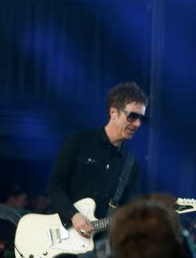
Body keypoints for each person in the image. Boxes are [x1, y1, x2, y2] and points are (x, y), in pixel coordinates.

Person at [46, 82, 148, 241]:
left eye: (141, 118)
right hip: (59, 235)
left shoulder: (131, 164)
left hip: (97, 244)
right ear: (114, 112)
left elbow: (129, 210)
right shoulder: (79, 142)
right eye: (132, 116)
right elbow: (55, 185)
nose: (137, 124)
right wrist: (73, 215)